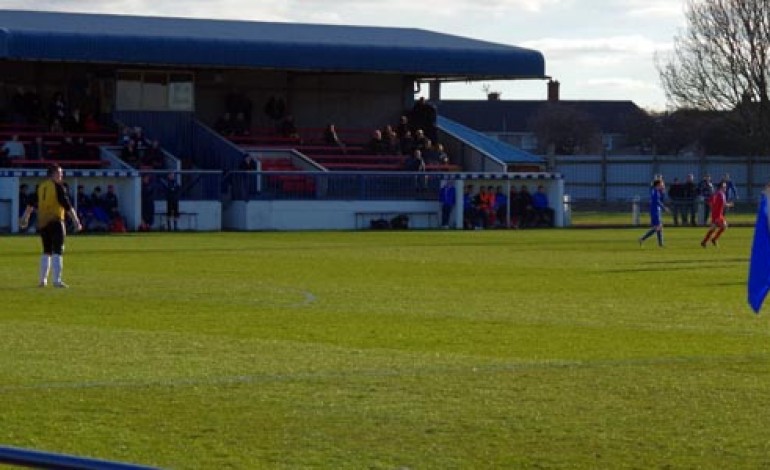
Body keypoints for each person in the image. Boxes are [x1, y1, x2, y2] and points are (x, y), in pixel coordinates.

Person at [19, 164, 82, 287]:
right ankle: (57, 280)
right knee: (58, 250)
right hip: (56, 220)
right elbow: (67, 205)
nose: (61, 175)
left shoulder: (41, 186)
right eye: (59, 173)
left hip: (43, 222)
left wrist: (24, 217)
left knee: (46, 251)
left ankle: (43, 280)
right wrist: (76, 221)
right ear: (52, 174)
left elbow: (31, 203)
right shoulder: (58, 187)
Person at [701, 182, 733, 248]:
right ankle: (714, 239)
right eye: (724, 186)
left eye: (725, 186)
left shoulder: (717, 193)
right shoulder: (720, 194)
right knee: (724, 226)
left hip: (716, 214)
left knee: (714, 228)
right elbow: (724, 204)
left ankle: (704, 242)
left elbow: (710, 202)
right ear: (721, 187)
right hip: (718, 214)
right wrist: (730, 205)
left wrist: (713, 208)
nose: (725, 188)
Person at [638, 178, 668, 247]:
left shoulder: (656, 191)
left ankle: (660, 244)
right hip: (655, 211)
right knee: (657, 227)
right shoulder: (655, 192)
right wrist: (664, 208)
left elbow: (659, 199)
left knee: (659, 227)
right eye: (661, 184)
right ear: (658, 184)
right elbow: (657, 201)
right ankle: (642, 238)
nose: (663, 185)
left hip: (655, 211)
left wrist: (663, 191)